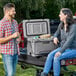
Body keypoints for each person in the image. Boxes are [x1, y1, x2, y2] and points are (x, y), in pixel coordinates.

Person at [41, 8, 76, 76]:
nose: (59, 15)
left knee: (57, 57)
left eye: (60, 14)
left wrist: (60, 51)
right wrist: (55, 37)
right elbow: (56, 33)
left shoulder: (73, 27)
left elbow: (69, 41)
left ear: (65, 15)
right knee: (50, 55)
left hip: (73, 49)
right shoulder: (61, 24)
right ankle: (44, 73)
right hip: (64, 48)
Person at [0, 3, 21, 76]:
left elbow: (18, 34)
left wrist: (19, 38)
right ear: (7, 12)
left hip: (15, 52)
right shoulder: (2, 23)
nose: (15, 12)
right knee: (10, 73)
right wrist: (12, 36)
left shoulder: (15, 22)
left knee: (11, 73)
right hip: (7, 53)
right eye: (13, 11)